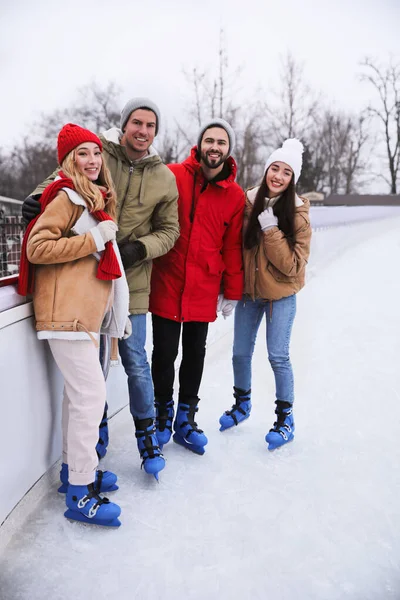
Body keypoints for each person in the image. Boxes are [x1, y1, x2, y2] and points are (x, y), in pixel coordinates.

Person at [22, 98, 180, 480]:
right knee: (92, 379)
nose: (142, 131)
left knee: (136, 364)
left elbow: (170, 231)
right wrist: (37, 199)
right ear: (124, 126)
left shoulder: (164, 178)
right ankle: (91, 449)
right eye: (136, 123)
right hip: (88, 283)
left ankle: (146, 437)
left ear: (155, 133)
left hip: (132, 283)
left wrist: (139, 248)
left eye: (150, 126)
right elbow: (65, 178)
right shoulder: (98, 153)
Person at [18, 123, 131, 526]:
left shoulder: (93, 201)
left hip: (81, 314)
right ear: (69, 161)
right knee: (89, 397)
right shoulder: (67, 196)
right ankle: (80, 495)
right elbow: (38, 247)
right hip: (63, 314)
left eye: (96, 153)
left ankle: (73, 474)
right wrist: (94, 239)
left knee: (77, 398)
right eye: (83, 154)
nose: (93, 160)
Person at [150, 118, 245, 455]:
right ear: (200, 145)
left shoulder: (233, 196)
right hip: (167, 279)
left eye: (221, 142)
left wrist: (232, 290)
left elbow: (232, 245)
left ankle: (185, 419)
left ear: (228, 150)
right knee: (164, 354)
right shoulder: (173, 175)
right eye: (210, 141)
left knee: (194, 354)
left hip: (204, 284)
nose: (214, 147)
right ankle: (162, 414)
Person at [219, 138, 312, 451]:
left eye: (286, 172)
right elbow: (232, 245)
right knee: (239, 353)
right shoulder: (247, 202)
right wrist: (227, 288)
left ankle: (286, 419)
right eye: (275, 168)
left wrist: (271, 231)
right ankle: (242, 405)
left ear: (292, 179)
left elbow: (293, 266)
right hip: (248, 293)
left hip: (280, 296)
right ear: (266, 170)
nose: (279, 176)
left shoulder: (298, 214)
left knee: (278, 356)